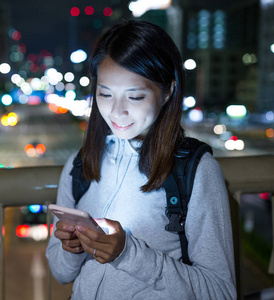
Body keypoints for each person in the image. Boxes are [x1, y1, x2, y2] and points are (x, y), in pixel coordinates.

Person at [46, 20, 236, 299]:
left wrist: (127, 253)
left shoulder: (195, 170)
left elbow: (220, 291)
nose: (117, 111)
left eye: (134, 97)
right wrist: (72, 248)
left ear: (168, 91)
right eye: (105, 94)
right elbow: (61, 273)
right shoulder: (80, 165)